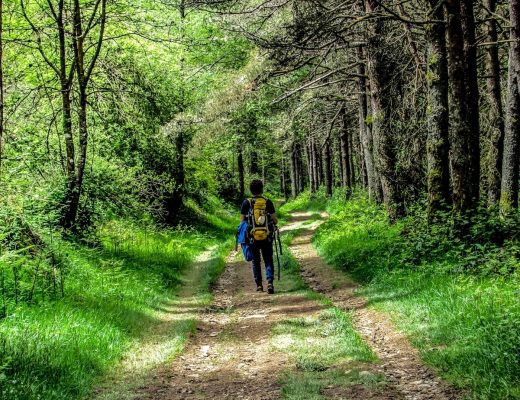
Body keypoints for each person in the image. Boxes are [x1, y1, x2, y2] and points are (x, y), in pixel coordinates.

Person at [240, 179, 278, 294]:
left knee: (256, 261)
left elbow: (242, 221)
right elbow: (274, 220)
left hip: (252, 237)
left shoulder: (246, 202)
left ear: (251, 190)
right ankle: (270, 282)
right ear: (262, 189)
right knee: (268, 259)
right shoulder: (267, 202)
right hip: (267, 236)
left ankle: (259, 286)